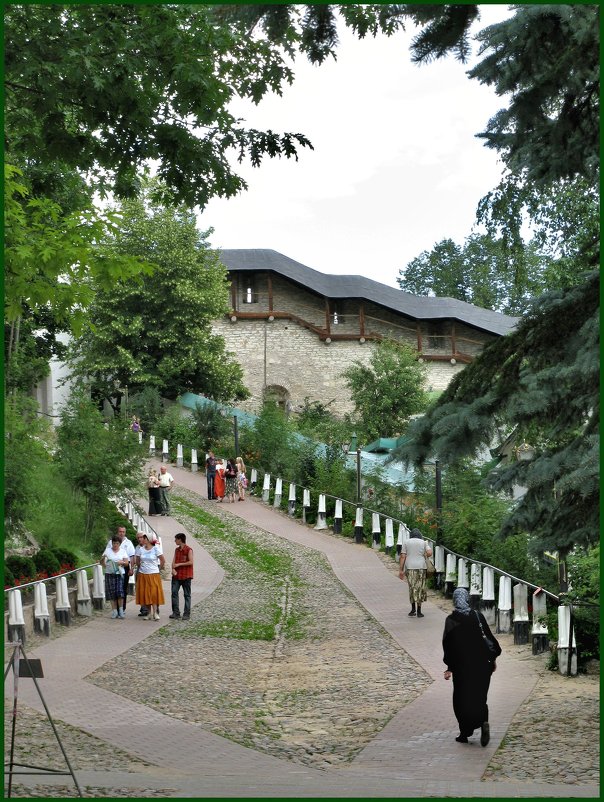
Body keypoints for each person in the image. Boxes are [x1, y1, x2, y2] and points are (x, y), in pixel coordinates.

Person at [443, 587, 502, 746]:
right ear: (467, 599)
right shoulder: (478, 616)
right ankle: (483, 722)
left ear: (455, 600)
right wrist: (493, 659)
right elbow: (488, 639)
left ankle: (465, 732)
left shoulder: (452, 620)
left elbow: (448, 646)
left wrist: (449, 667)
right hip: (483, 665)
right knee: (479, 697)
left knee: (462, 698)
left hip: (462, 668)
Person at [398, 527, 432, 618]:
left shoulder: (406, 542)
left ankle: (413, 609)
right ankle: (419, 611)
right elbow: (430, 552)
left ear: (411, 535)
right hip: (421, 567)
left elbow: (402, 556)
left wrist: (401, 570)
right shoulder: (423, 542)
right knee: (420, 587)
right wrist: (424, 555)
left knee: (412, 588)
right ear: (420, 535)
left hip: (410, 568)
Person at [135, 533, 165, 620]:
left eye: (144, 538)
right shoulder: (141, 549)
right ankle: (148, 613)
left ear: (149, 539)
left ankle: (155, 612)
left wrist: (158, 569)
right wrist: (141, 567)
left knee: (153, 593)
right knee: (146, 593)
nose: (143, 540)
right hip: (143, 574)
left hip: (153, 574)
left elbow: (162, 560)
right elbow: (137, 561)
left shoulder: (156, 549)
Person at [106, 525, 135, 615]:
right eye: (120, 531)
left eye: (123, 532)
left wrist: (131, 568)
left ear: (125, 533)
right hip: (113, 567)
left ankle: (123, 608)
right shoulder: (111, 542)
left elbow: (132, 556)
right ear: (117, 532)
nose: (121, 533)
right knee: (114, 589)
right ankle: (116, 609)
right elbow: (106, 554)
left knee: (123, 588)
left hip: (125, 566)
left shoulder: (128, 542)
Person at [100, 536, 130, 619]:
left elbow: (127, 563)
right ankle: (114, 611)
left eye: (117, 543)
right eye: (114, 543)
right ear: (112, 543)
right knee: (111, 592)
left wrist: (122, 562)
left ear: (119, 544)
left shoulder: (123, 551)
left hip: (119, 573)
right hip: (109, 573)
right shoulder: (108, 551)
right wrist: (103, 560)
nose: (115, 545)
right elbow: (102, 563)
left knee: (120, 592)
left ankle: (121, 610)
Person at [169, 532, 194, 620]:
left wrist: (179, 565)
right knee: (174, 593)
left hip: (186, 575)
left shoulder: (189, 550)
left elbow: (191, 562)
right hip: (177, 576)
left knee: (187, 595)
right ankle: (176, 612)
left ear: (180, 539)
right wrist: (172, 569)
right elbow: (173, 561)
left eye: (176, 539)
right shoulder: (176, 550)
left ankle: (186, 613)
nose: (175, 541)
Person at [134, 531, 149, 618]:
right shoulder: (137, 547)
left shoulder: (149, 547)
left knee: (149, 589)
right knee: (140, 589)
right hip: (140, 569)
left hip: (148, 570)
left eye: (141, 537)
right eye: (138, 538)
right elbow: (136, 560)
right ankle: (143, 609)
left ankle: (151, 608)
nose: (140, 539)